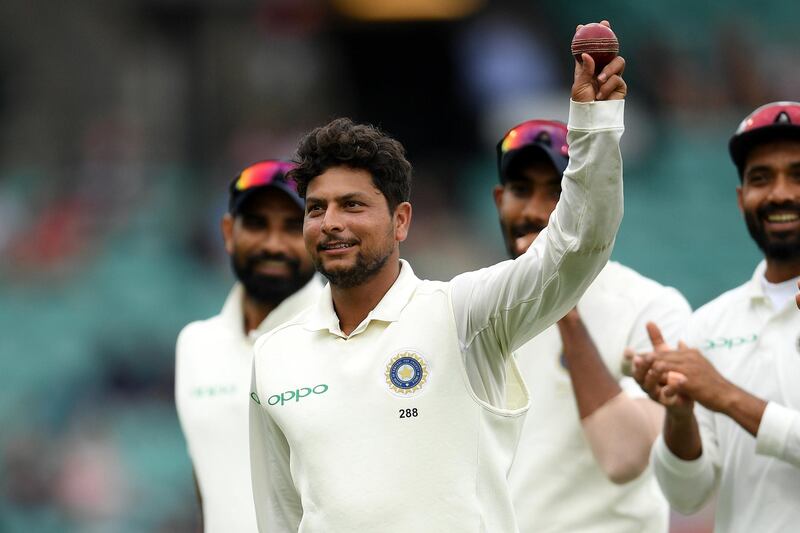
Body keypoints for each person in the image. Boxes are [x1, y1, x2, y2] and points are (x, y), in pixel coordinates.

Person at [249, 21, 627, 532]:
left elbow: (576, 245)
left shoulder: (462, 314)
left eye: (353, 205)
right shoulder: (275, 356)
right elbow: (279, 518)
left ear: (401, 219)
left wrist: (594, 124)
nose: (331, 222)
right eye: (317, 208)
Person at [494, 119, 691, 532]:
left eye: (558, 193)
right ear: (499, 200)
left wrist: (559, 295)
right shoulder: (474, 308)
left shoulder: (652, 308)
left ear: (588, 200)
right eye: (521, 190)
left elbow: (624, 457)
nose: (533, 211)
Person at [634, 101, 800, 533]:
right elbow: (687, 494)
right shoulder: (710, 325)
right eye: (761, 178)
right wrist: (680, 415)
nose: (780, 193)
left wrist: (725, 395)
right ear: (742, 198)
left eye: (798, 175)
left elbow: (724, 396)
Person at [175, 160, 322, 532]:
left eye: (292, 226)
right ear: (228, 232)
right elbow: (208, 480)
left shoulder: (345, 332)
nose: (273, 244)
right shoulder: (195, 344)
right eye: (257, 224)